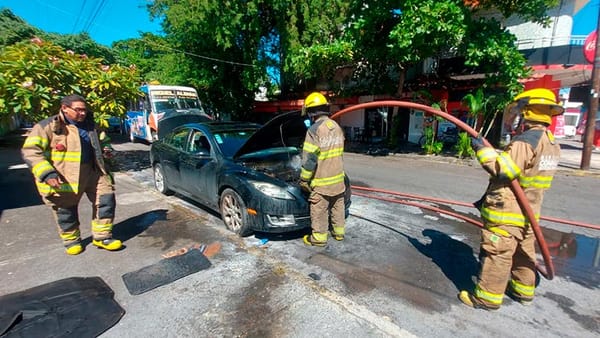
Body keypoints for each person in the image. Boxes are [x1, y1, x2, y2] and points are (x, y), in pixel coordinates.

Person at [459, 88, 564, 310]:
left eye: (520, 110)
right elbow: (522, 167)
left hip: (508, 210)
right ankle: (522, 289)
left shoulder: (527, 140)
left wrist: (481, 150)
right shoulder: (550, 142)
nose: (517, 115)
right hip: (529, 211)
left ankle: (487, 298)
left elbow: (503, 169)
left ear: (528, 110)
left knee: (498, 252)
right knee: (524, 252)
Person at [22, 94, 122, 255]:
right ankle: (72, 240)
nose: (82, 113)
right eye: (78, 110)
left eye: (84, 110)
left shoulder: (90, 124)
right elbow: (31, 152)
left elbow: (104, 139)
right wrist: (47, 174)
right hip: (64, 175)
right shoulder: (47, 126)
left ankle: (102, 236)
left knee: (106, 200)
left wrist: (106, 149)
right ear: (64, 108)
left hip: (93, 171)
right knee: (65, 208)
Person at [299, 92, 346, 247]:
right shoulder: (336, 127)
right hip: (338, 180)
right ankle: (339, 233)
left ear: (312, 112)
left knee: (319, 209)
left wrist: (304, 179)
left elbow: (310, 159)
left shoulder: (314, 130)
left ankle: (318, 238)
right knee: (337, 206)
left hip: (322, 182)